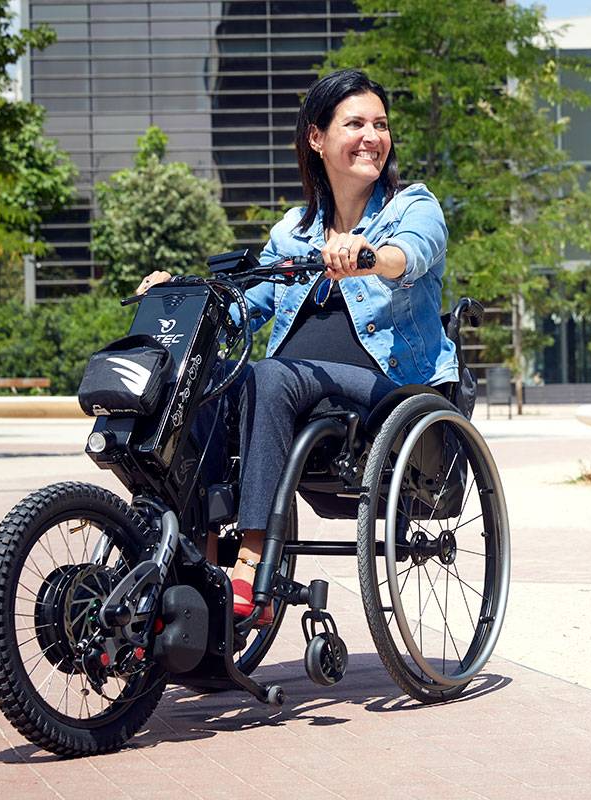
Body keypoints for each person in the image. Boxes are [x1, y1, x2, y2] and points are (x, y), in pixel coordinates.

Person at [136, 69, 457, 622]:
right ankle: (194, 558)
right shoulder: (293, 231)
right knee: (205, 377)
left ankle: (252, 562)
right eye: (355, 124)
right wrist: (180, 295)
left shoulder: (412, 206)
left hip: (388, 395)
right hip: (296, 393)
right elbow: (246, 303)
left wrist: (368, 257)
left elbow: (411, 254)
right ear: (316, 138)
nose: (372, 136)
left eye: (380, 125)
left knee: (270, 375)